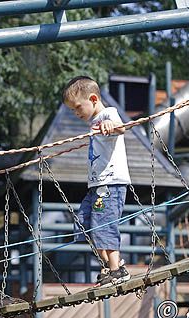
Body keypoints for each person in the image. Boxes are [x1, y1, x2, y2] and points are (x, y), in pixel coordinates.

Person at [62, 76, 131, 287]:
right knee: (84, 223)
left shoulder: (107, 114)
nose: (76, 113)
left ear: (93, 99)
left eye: (77, 107)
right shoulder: (93, 123)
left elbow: (121, 128)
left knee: (105, 224)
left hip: (110, 185)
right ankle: (113, 265)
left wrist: (110, 125)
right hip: (96, 186)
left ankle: (116, 271)